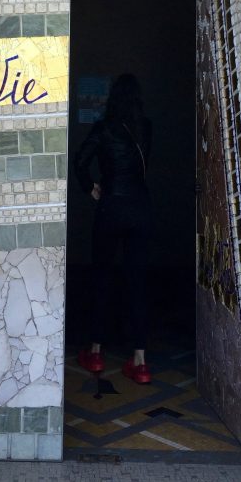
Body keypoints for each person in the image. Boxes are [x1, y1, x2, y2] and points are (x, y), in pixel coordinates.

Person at [74, 73, 153, 384]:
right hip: (141, 210)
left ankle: (95, 352)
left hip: (110, 209)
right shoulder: (146, 128)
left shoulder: (103, 128)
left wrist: (91, 187)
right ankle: (140, 361)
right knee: (138, 283)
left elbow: (80, 160)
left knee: (102, 278)